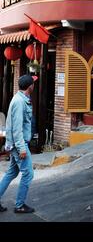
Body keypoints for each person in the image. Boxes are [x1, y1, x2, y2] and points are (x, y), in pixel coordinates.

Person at [0, 74, 38, 214]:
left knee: (12, 172)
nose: (34, 85)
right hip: (19, 145)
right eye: (33, 84)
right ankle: (19, 205)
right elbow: (16, 129)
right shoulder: (19, 102)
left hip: (17, 144)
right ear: (30, 87)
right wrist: (22, 148)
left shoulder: (21, 99)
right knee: (28, 174)